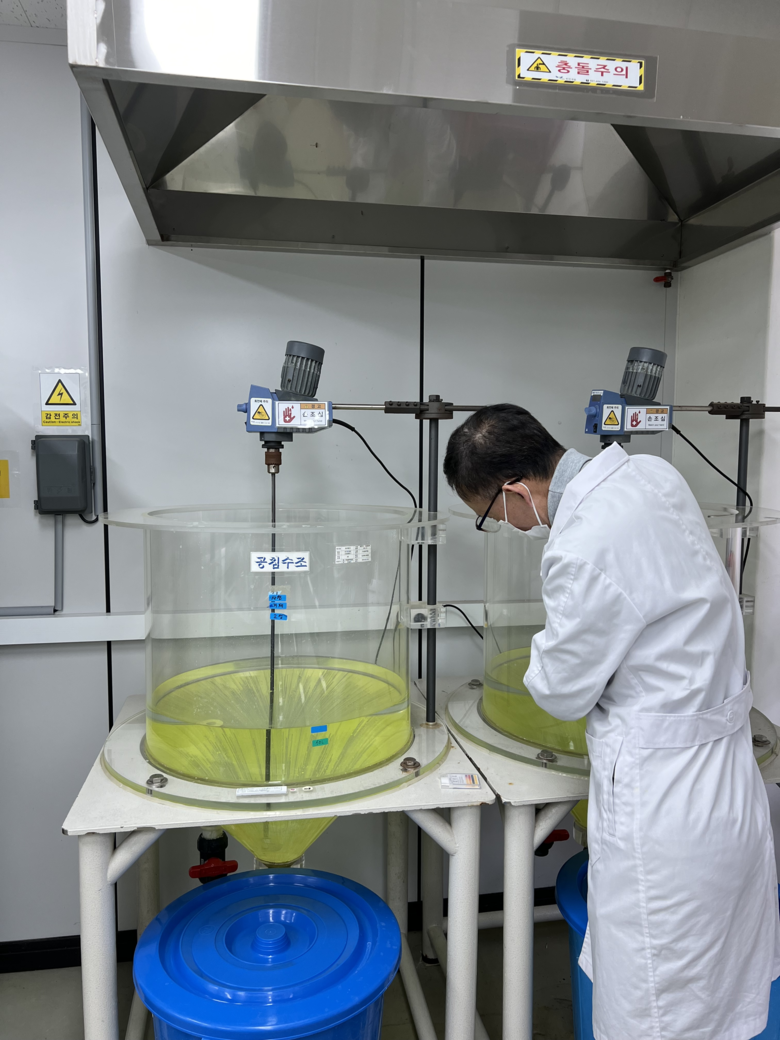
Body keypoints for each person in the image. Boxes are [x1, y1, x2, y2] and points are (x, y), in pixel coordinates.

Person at [443, 403, 780, 1040]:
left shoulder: (582, 547)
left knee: (658, 1006)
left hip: (667, 805)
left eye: (492, 515)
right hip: (727, 779)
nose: (507, 527)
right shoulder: (651, 474)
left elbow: (560, 690)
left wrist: (547, 654)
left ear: (516, 489)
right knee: (719, 990)